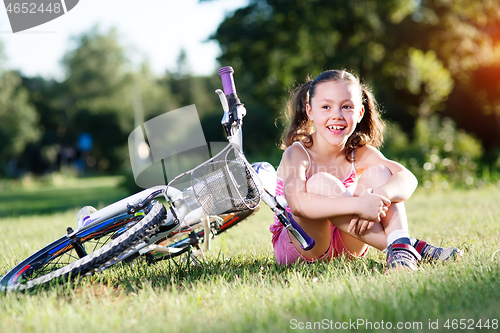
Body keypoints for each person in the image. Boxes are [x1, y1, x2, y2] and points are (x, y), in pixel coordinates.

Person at [269, 69, 462, 270]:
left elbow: (408, 178)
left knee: (381, 173)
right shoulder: (297, 153)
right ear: (310, 111)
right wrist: (359, 205)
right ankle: (405, 246)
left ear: (360, 112)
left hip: (349, 244)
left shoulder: (359, 153)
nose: (336, 115)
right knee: (320, 182)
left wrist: (378, 196)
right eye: (326, 106)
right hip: (304, 245)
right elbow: (299, 205)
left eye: (346, 107)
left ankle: (401, 251)